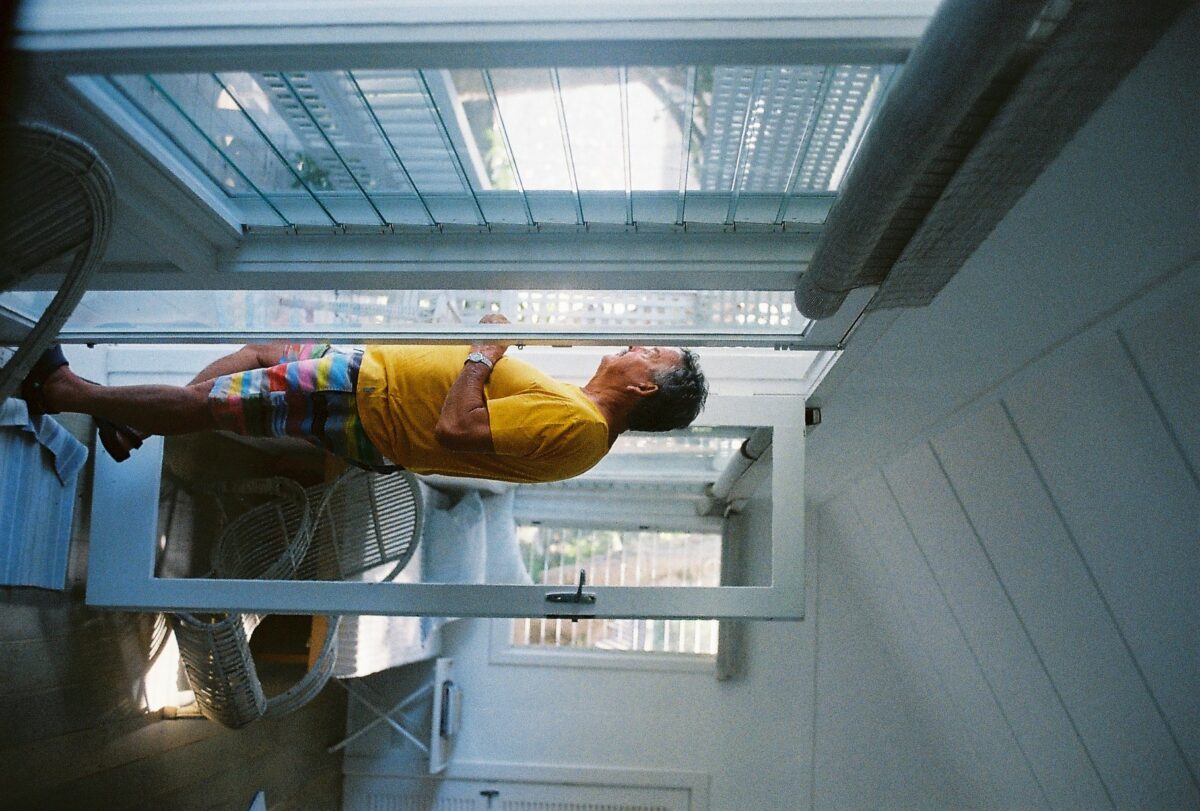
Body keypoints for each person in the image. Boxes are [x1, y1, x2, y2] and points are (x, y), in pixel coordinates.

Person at [18, 314, 708, 484]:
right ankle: (129, 421)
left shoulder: (581, 425)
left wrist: (483, 351)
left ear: (644, 386)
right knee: (257, 356)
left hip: (368, 403)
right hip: (368, 378)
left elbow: (457, 427)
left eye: (650, 352)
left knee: (215, 406)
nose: (635, 344)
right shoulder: (581, 413)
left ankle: (66, 391)